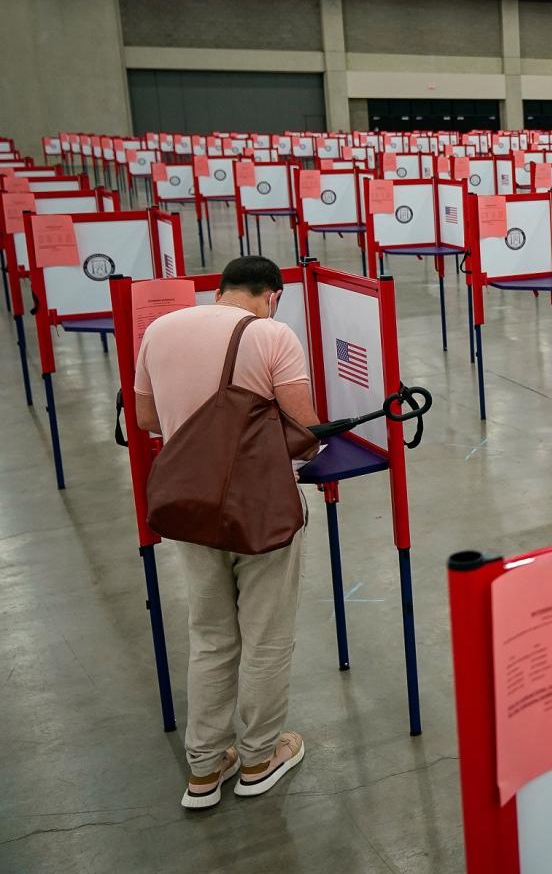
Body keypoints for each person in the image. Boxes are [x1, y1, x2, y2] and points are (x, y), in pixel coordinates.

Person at [134, 256, 319, 810]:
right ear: (273, 295)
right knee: (265, 635)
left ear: (218, 291)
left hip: (190, 506)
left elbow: (146, 417)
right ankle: (260, 756)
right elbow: (304, 429)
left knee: (210, 635)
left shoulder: (159, 330)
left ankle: (204, 768)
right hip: (260, 510)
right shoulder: (271, 334)